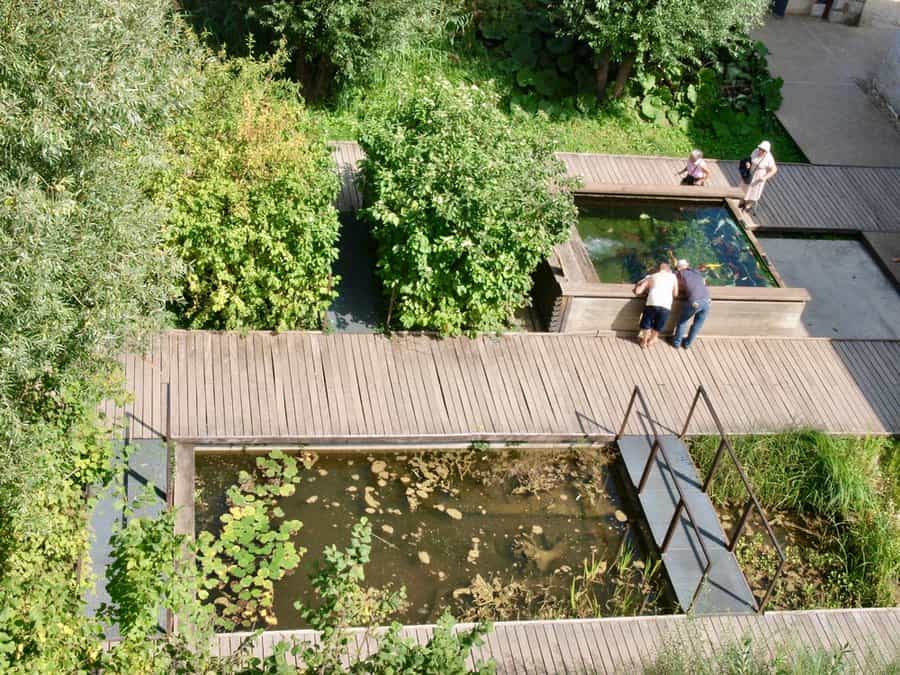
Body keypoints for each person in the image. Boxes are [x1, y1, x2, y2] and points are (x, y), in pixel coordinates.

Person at [633, 262, 678, 349]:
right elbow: (675, 294)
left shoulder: (652, 277)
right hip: (666, 305)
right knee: (658, 326)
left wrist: (637, 287)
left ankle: (644, 342)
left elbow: (638, 291)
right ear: (669, 270)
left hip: (652, 303)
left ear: (659, 269)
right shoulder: (673, 277)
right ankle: (651, 341)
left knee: (646, 324)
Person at [672, 259, 711, 349]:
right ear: (687, 266)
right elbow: (701, 271)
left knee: (683, 321)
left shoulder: (680, 274)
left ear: (678, 268)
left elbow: (675, 283)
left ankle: (677, 343)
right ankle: (687, 344)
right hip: (707, 300)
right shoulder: (695, 271)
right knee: (697, 324)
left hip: (695, 302)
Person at [739, 140, 777, 213]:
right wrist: (748, 163)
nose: (760, 151)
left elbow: (774, 170)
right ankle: (742, 201)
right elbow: (750, 159)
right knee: (744, 186)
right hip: (750, 171)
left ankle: (748, 205)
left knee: (754, 191)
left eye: (763, 150)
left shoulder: (769, 158)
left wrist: (765, 177)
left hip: (759, 175)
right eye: (760, 149)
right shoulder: (755, 151)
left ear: (766, 151)